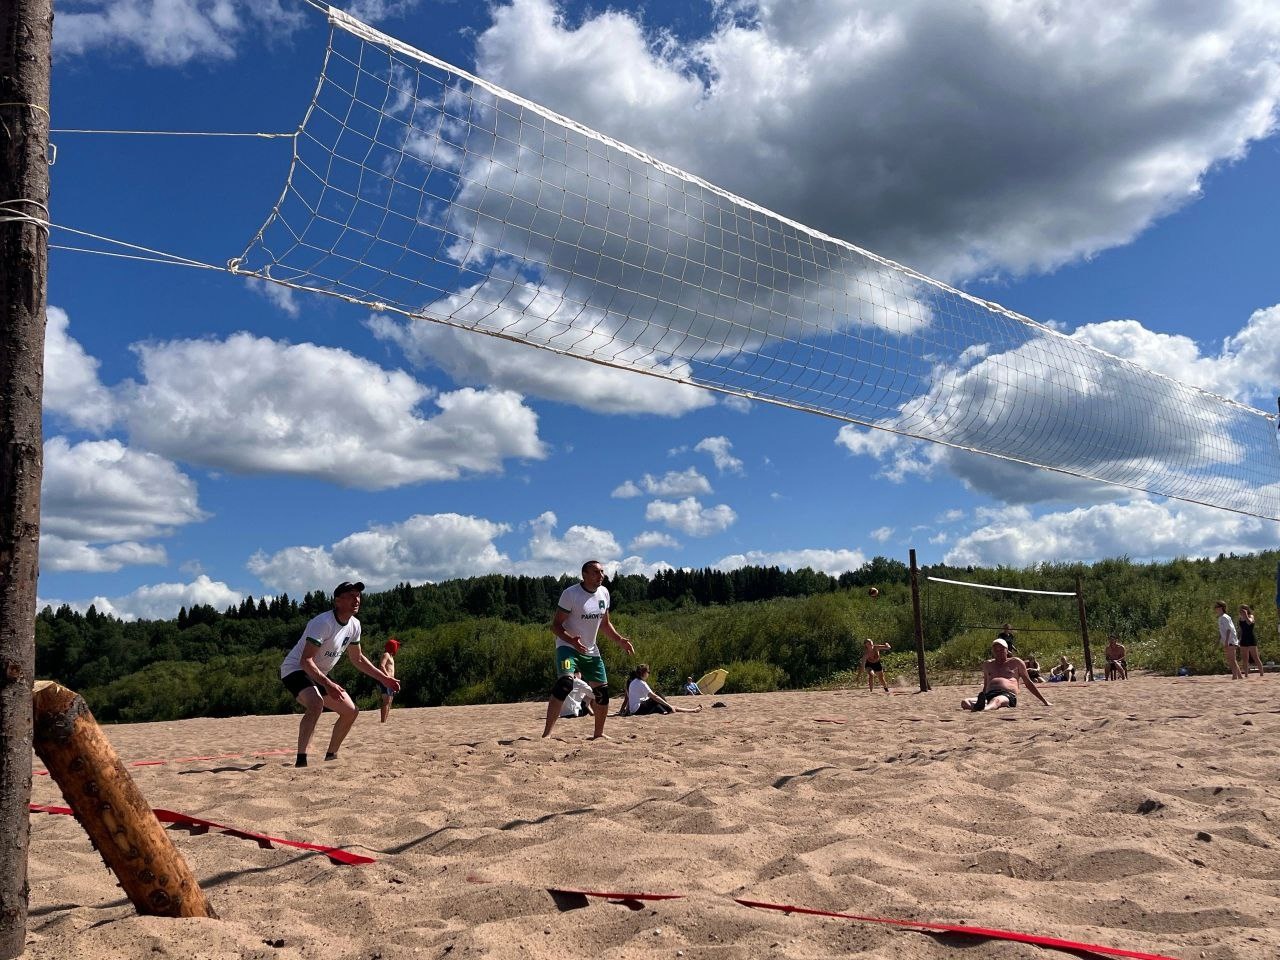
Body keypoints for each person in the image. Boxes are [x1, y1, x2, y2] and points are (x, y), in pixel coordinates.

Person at [279, 581, 400, 767]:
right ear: (337, 601)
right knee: (316, 703)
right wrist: (328, 684)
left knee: (351, 711)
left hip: (319, 672)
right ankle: (301, 760)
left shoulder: (355, 625)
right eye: (351, 595)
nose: (356, 599)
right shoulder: (322, 623)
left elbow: (357, 659)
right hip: (296, 669)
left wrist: (385, 679)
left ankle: (331, 755)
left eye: (358, 595)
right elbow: (306, 661)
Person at [542, 560, 635, 739]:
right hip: (567, 648)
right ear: (584, 575)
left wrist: (620, 640)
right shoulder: (571, 594)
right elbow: (555, 626)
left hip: (590, 652)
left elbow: (605, 624)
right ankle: (547, 735)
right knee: (565, 684)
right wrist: (572, 640)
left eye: (602, 572)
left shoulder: (604, 593)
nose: (601, 576)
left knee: (602, 693)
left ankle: (598, 734)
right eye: (595, 572)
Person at [961, 638, 1050, 712]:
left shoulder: (1016, 662)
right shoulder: (987, 664)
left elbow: (1028, 683)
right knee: (965, 702)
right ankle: (979, 707)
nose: (998, 652)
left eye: (1001, 650)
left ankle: (984, 708)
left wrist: (1044, 701)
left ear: (1007, 651)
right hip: (989, 694)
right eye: (996, 650)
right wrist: (981, 696)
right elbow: (986, 685)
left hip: (1007, 694)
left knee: (997, 700)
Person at [626, 664, 702, 716]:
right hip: (638, 710)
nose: (649, 674)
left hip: (635, 710)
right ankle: (691, 710)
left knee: (661, 705)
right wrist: (668, 705)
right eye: (648, 672)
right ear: (644, 673)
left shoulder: (634, 682)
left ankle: (671, 710)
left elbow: (630, 698)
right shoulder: (641, 683)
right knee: (658, 696)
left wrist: (627, 711)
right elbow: (654, 696)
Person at [1215, 600, 1242, 679]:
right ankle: (1239, 676)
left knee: (1232, 659)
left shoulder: (1225, 617)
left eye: (1217, 607)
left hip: (1230, 641)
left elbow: (1229, 629)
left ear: (1221, 608)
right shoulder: (1220, 618)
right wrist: (1218, 640)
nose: (1215, 609)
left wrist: (1227, 641)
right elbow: (1222, 631)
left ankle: (1235, 676)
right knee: (1231, 659)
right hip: (1227, 641)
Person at [1238, 603, 1264, 679]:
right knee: (1245, 658)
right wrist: (1238, 638)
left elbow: (1249, 623)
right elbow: (1240, 630)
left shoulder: (1251, 616)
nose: (1242, 611)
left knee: (1255, 657)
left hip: (1251, 638)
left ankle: (1261, 673)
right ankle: (1246, 674)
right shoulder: (1240, 618)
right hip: (1243, 638)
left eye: (1244, 609)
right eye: (1241, 609)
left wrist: (1245, 615)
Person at [378, 637, 400, 722]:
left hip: (391, 681)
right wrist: (388, 677)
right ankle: (383, 721)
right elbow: (382, 666)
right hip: (386, 680)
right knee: (386, 700)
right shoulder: (386, 654)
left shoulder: (391, 656)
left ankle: (385, 721)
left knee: (390, 701)